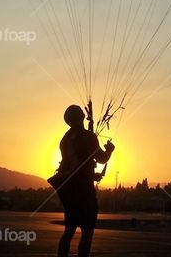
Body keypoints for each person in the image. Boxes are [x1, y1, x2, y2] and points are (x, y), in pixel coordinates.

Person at [52, 104, 114, 257]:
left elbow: (73, 165)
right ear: (80, 117)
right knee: (87, 231)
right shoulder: (88, 137)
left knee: (69, 230)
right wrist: (110, 150)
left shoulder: (64, 140)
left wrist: (92, 175)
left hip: (69, 191)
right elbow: (101, 159)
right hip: (84, 191)